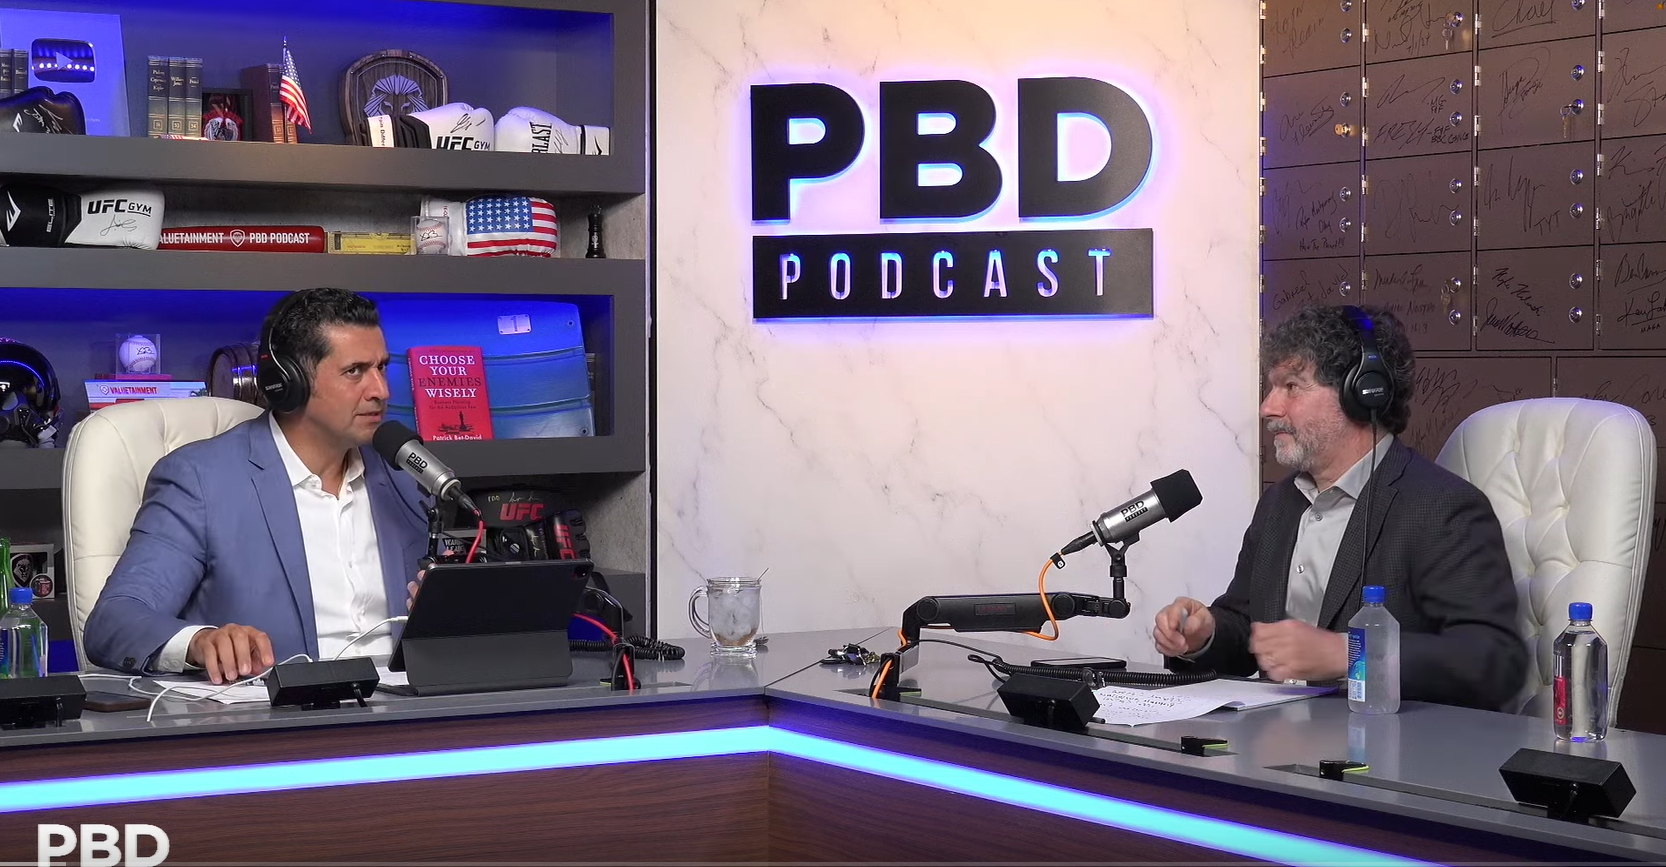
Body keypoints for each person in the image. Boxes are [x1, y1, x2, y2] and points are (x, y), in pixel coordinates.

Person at [1152, 305, 1527, 711]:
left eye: (1291, 387)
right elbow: (1249, 630)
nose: (1267, 407)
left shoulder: (1443, 507)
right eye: (1271, 387)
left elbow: (1492, 662)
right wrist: (1205, 635)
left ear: (1361, 392)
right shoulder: (1280, 503)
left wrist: (1348, 653)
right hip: (1274, 738)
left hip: (1386, 743)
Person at [84, 288, 430, 683]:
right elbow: (114, 622)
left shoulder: (405, 475)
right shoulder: (200, 481)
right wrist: (199, 642)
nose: (381, 391)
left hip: (412, 711)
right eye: (355, 371)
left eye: (381, 368)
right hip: (282, 714)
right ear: (290, 382)